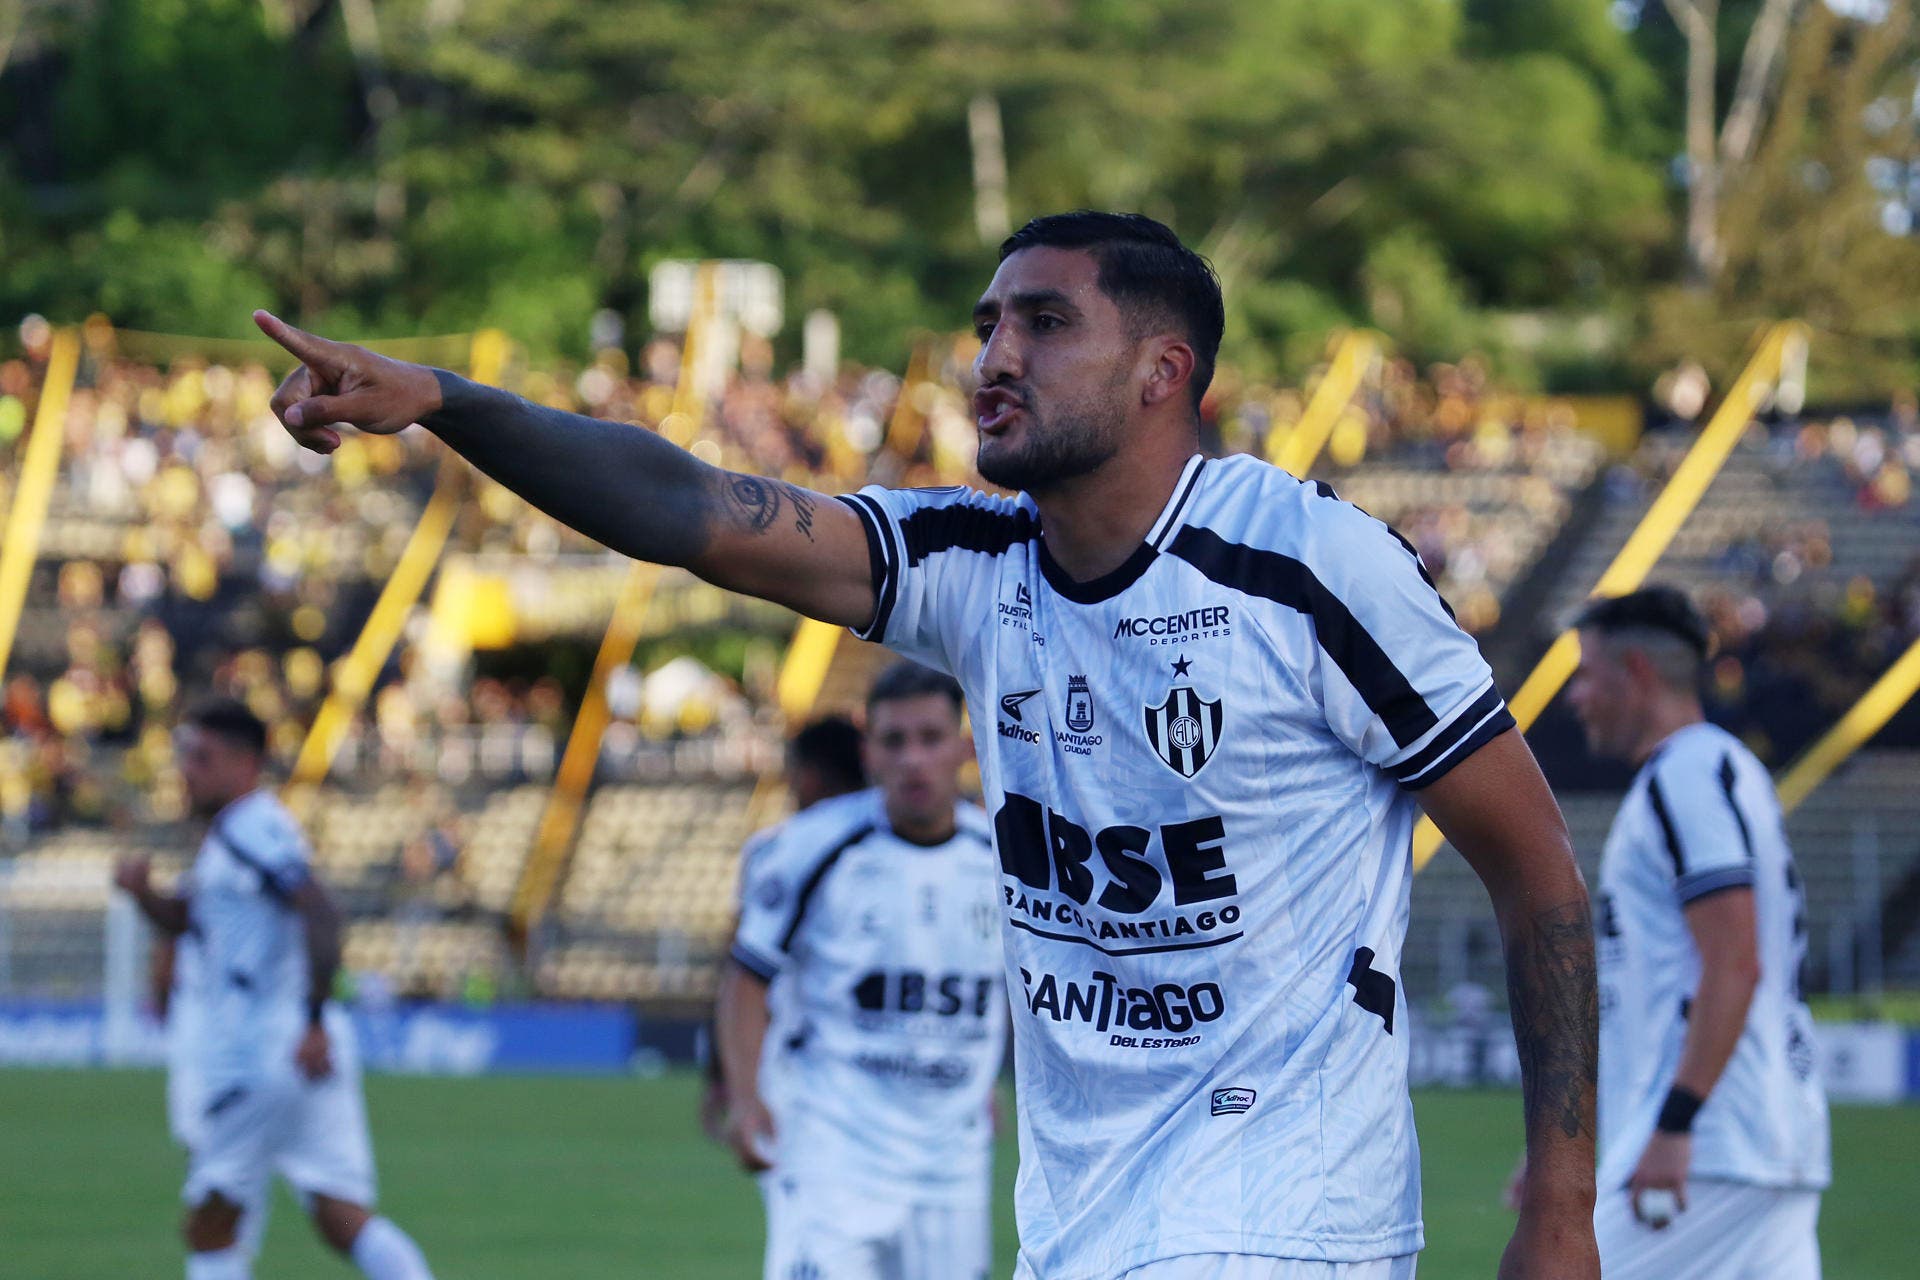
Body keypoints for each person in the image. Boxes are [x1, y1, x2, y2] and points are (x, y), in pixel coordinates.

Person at [254, 208, 1599, 1278]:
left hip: (1284, 1207)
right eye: (987, 323)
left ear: (1161, 372)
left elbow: (1537, 871)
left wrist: (1558, 1202)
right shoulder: (971, 565)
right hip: (1080, 1218)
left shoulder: (1310, 569)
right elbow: (688, 506)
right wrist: (444, 401)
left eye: (1043, 322)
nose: (992, 356)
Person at [113, 700, 435, 1280]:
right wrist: (143, 896)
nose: (187, 770)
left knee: (212, 1220)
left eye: (202, 758)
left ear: (245, 765)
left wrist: (311, 1018)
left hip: (261, 1047)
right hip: (302, 1047)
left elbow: (321, 912)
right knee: (341, 1217)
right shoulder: (233, 837)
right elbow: (190, 921)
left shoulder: (254, 828)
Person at [1563, 587, 1828, 1279]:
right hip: (1759, 1138)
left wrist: (1678, 1124)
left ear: (1638, 671)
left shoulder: (1684, 778)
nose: (1575, 697)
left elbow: (1735, 961)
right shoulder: (1722, 770)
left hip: (1713, 1144)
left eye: (1587, 674)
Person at [716, 662, 1003, 1280]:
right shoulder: (809, 849)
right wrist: (744, 1096)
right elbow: (746, 977)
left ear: (964, 745)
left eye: (930, 738)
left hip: (951, 1160)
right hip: (832, 1150)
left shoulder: (1005, 860)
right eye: (894, 741)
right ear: (868, 750)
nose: (913, 760)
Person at [700, 713, 867, 1142]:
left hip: (799, 1065)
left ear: (808, 776)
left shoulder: (773, 850)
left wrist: (726, 1075)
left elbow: (738, 964)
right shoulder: (913, 846)